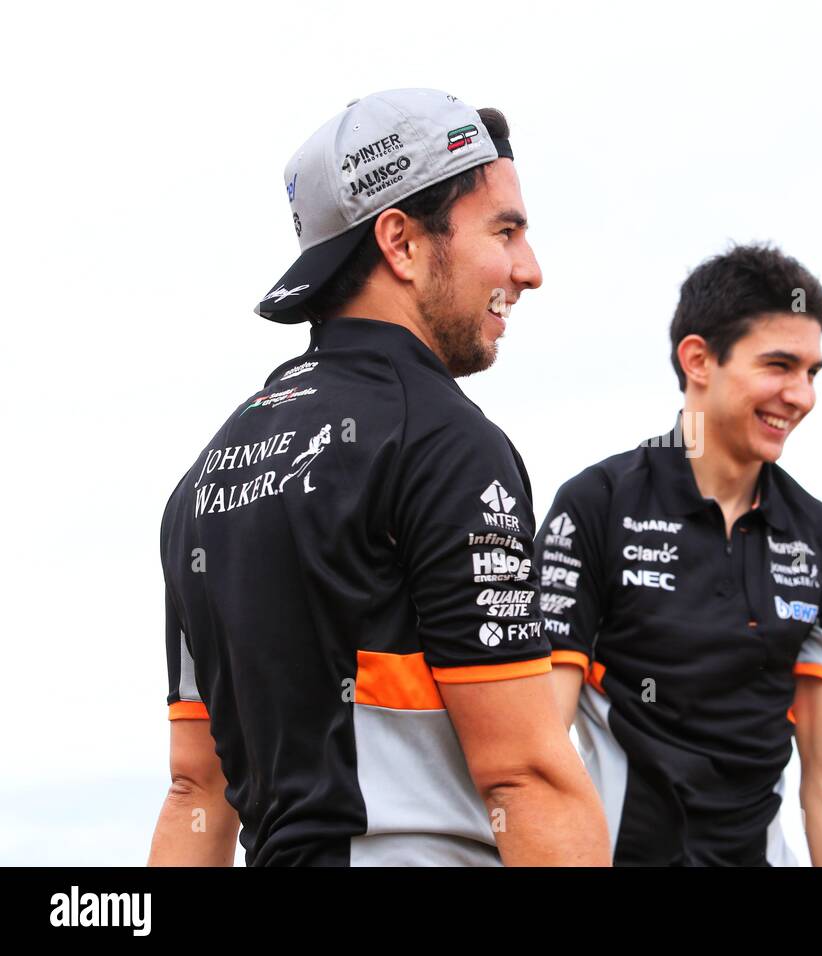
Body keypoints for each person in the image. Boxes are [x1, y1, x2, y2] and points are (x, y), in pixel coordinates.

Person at [150, 88, 608, 867]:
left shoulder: (205, 477)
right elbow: (526, 777)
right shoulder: (444, 442)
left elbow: (196, 794)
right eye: (505, 230)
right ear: (399, 241)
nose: (528, 270)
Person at [536, 243, 822, 866]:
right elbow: (538, 745)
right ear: (698, 360)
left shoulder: (819, 539)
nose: (801, 396)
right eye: (779, 365)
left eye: (812, 372)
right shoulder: (598, 506)